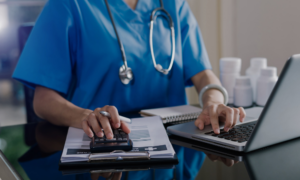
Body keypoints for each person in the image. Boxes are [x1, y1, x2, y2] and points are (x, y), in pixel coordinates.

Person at [13, 0, 245, 139]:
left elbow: (203, 73)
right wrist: (84, 116)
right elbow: (43, 100)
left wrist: (213, 102)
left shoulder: (172, 4)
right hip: (102, 140)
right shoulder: (69, 5)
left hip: (173, 145)